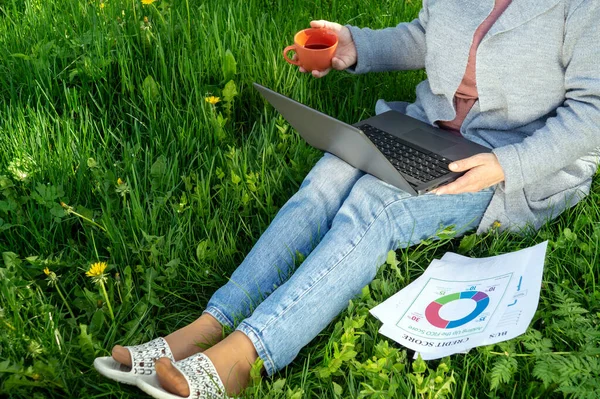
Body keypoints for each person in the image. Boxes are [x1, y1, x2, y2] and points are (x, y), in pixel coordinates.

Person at [93, 1, 600, 398]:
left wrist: (508, 166)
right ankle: (209, 325)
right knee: (329, 175)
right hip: (429, 131)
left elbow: (592, 112)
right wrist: (355, 47)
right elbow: (427, 36)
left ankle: (244, 357)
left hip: (507, 159)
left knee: (378, 207)